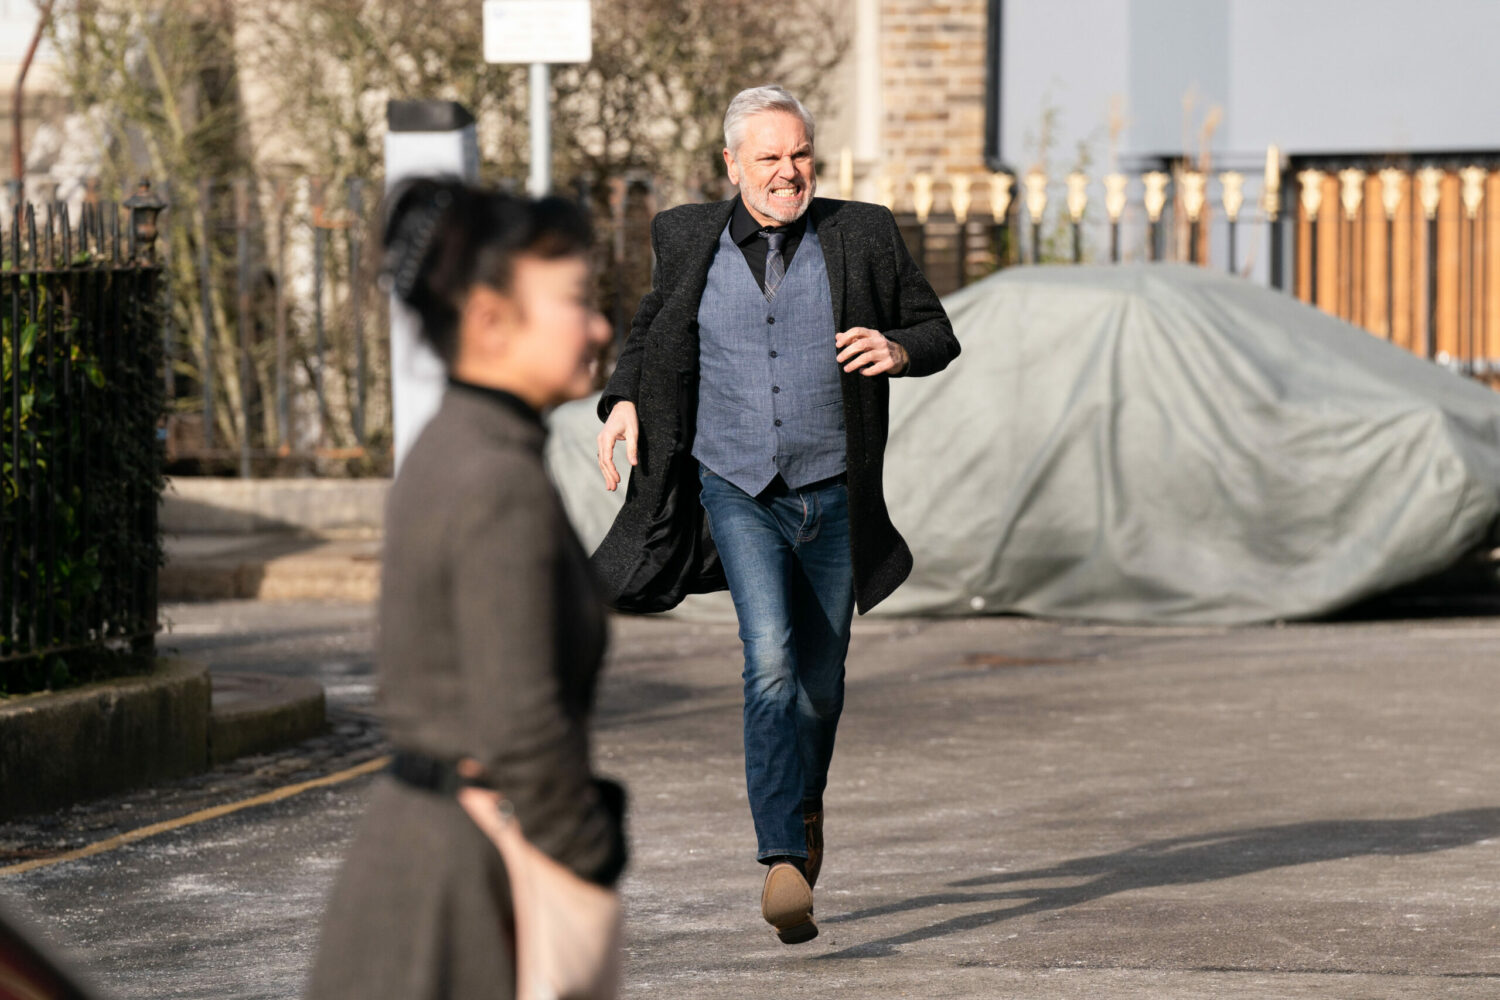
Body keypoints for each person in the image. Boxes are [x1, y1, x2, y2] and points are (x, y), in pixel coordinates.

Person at [592, 85, 959, 943]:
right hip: (736, 487)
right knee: (770, 661)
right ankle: (781, 860)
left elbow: (936, 327)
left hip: (833, 489)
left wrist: (899, 349)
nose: (789, 172)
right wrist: (622, 400)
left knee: (821, 684)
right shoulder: (686, 236)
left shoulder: (860, 232)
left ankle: (803, 813)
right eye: (769, 158)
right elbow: (653, 331)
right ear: (732, 166)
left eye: (800, 155)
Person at [308, 178, 624, 1000]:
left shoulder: (455, 443)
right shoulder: (494, 477)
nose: (599, 326)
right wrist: (590, 855)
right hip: (459, 887)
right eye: (577, 301)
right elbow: (520, 720)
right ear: (488, 318)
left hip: (425, 859)